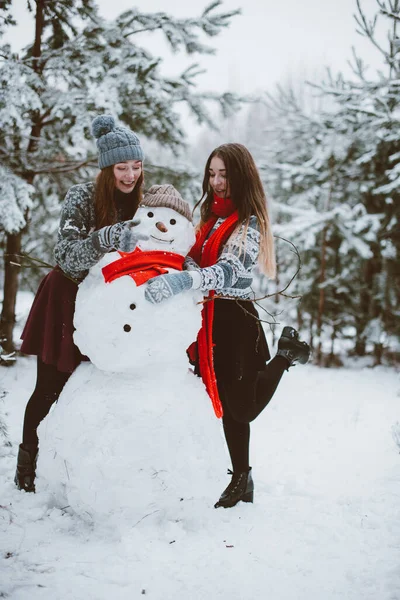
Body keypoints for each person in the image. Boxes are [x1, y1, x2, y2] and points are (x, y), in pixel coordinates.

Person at [144, 143, 310, 509]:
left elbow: (231, 270)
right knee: (227, 405)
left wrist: (187, 281)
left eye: (224, 174)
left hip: (236, 321)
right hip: (208, 321)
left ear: (241, 176)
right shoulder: (209, 217)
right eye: (212, 173)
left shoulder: (250, 221)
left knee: (243, 408)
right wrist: (184, 268)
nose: (217, 182)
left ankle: (284, 355)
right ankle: (241, 479)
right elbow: (192, 257)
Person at [15, 115, 147, 492]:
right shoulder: (82, 197)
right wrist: (104, 238)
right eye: (122, 167)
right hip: (67, 299)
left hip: (111, 309)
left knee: (98, 388)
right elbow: (67, 255)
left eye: (136, 166)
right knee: (50, 387)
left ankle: (82, 470)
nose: (130, 175)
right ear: (106, 168)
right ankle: (27, 464)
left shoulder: (144, 204)